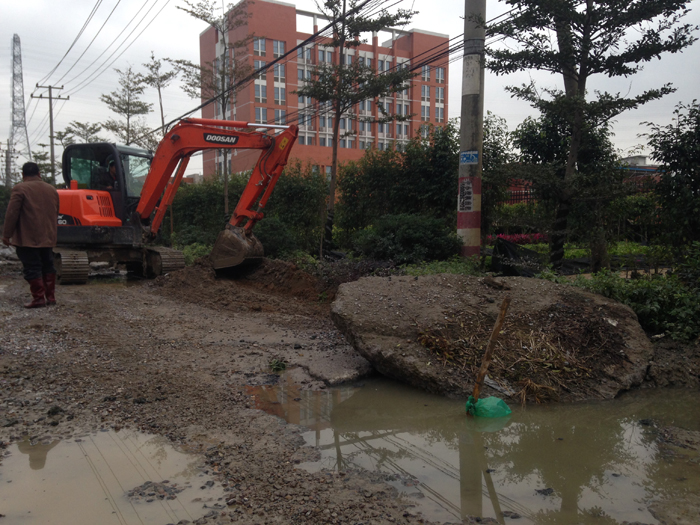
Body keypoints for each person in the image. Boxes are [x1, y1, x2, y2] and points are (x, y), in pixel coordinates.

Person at [2, 162, 60, 308]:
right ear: (39, 174)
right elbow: (56, 211)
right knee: (48, 265)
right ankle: (51, 297)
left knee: (32, 267)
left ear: (23, 175)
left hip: (28, 237)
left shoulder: (20, 189)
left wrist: (6, 234)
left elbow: (12, 213)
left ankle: (39, 298)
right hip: (48, 236)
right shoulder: (52, 189)